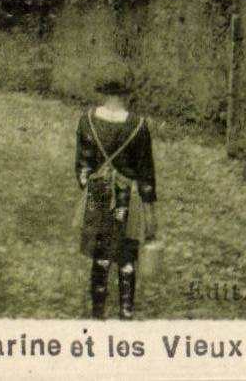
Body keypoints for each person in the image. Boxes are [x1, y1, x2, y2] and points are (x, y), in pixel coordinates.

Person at [75, 67, 157, 320]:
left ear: (102, 91)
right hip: (127, 197)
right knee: (127, 255)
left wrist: (92, 185)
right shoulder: (139, 126)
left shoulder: (87, 121)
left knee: (100, 254)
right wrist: (150, 211)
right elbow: (146, 174)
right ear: (127, 93)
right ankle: (126, 311)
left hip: (97, 195)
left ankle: (98, 312)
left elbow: (82, 167)